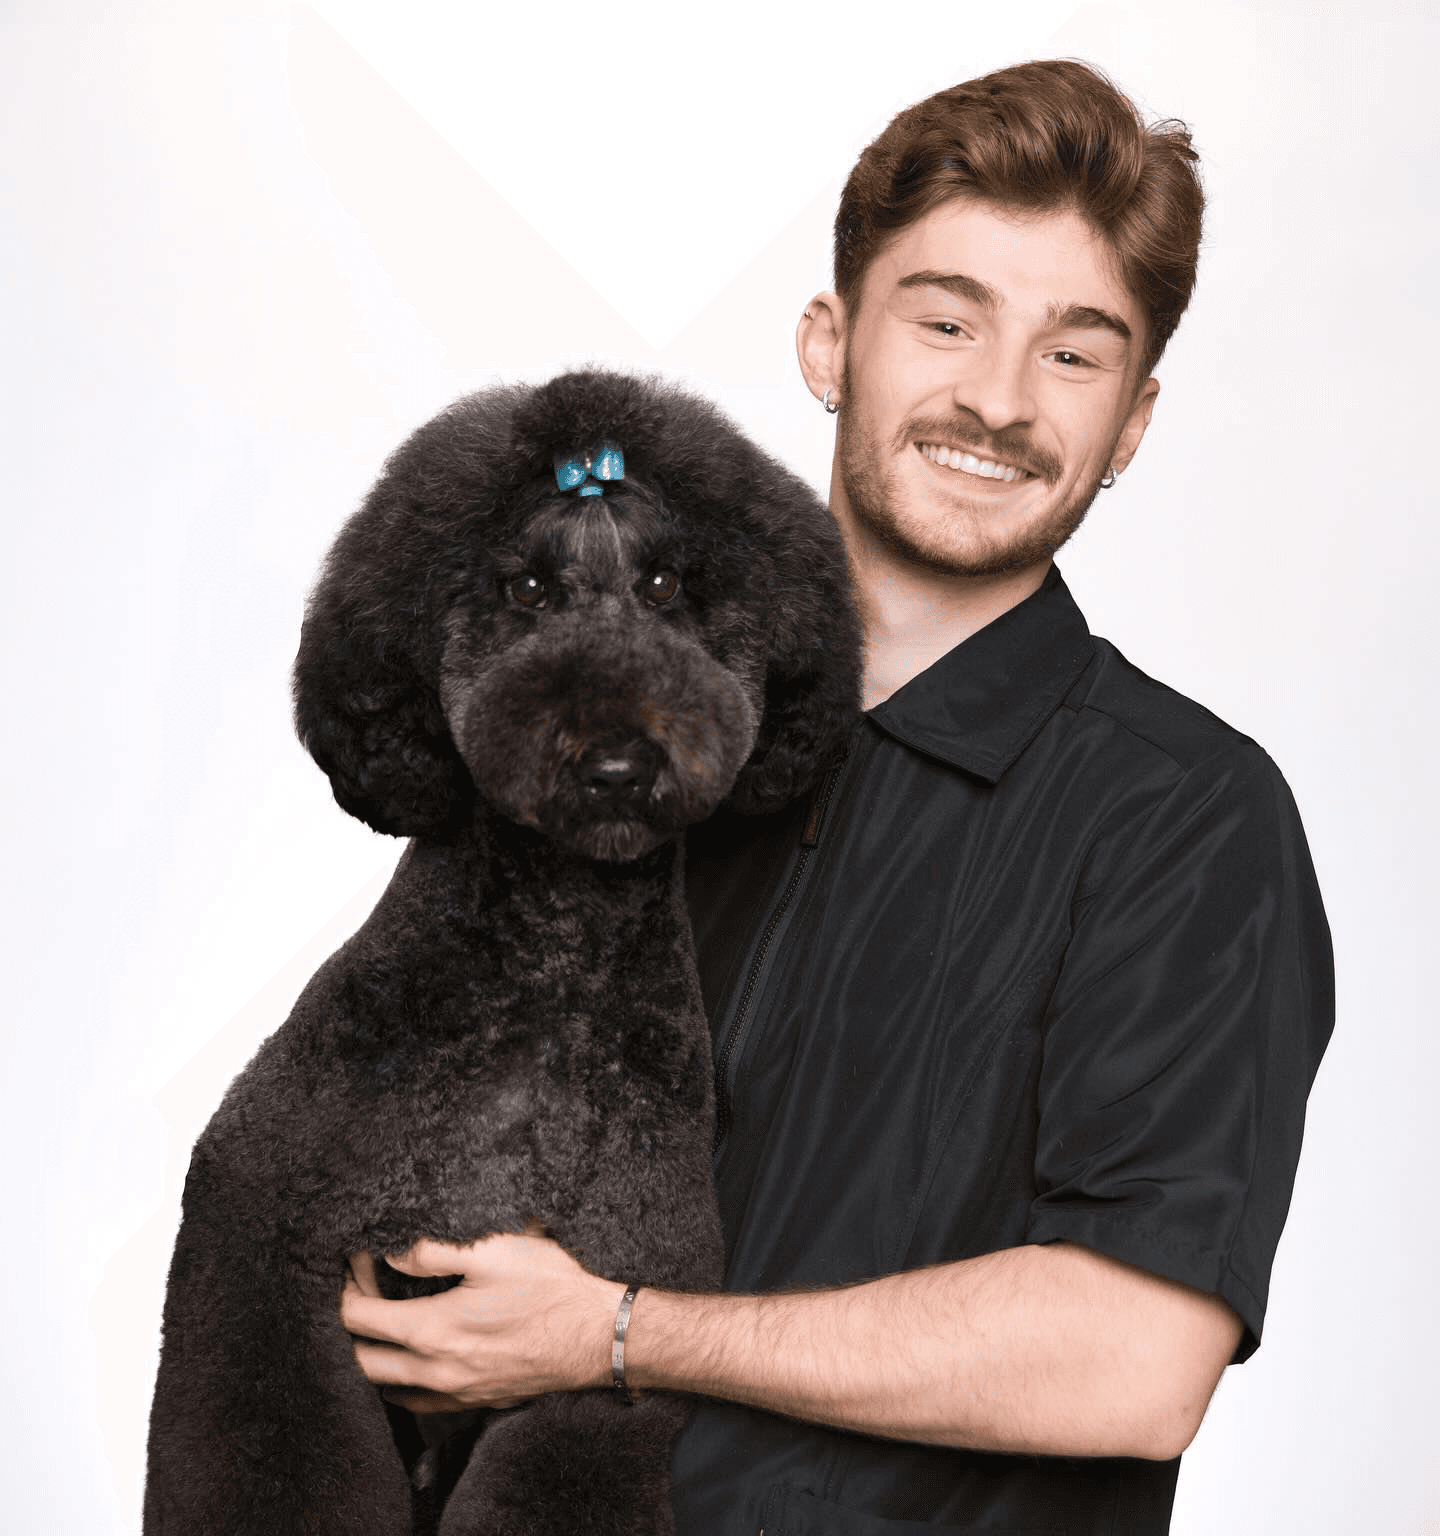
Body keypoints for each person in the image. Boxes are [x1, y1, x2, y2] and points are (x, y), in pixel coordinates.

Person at [339, 59, 1334, 1535]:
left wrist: (615, 1333)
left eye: (1075, 356)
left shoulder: (1189, 820)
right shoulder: (619, 747)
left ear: (1131, 424)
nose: (996, 401)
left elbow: (1134, 1361)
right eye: (946, 320)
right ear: (829, 344)